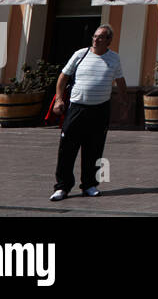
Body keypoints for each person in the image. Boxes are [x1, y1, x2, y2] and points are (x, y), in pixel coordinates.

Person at [50, 24, 126, 200]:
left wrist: (124, 102)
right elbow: (63, 77)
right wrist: (59, 99)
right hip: (77, 108)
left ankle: (90, 185)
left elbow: (120, 80)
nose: (96, 39)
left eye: (100, 37)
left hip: (100, 110)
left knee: (94, 149)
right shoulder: (80, 54)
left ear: (108, 40)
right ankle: (62, 187)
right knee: (67, 149)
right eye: (94, 36)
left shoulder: (114, 58)